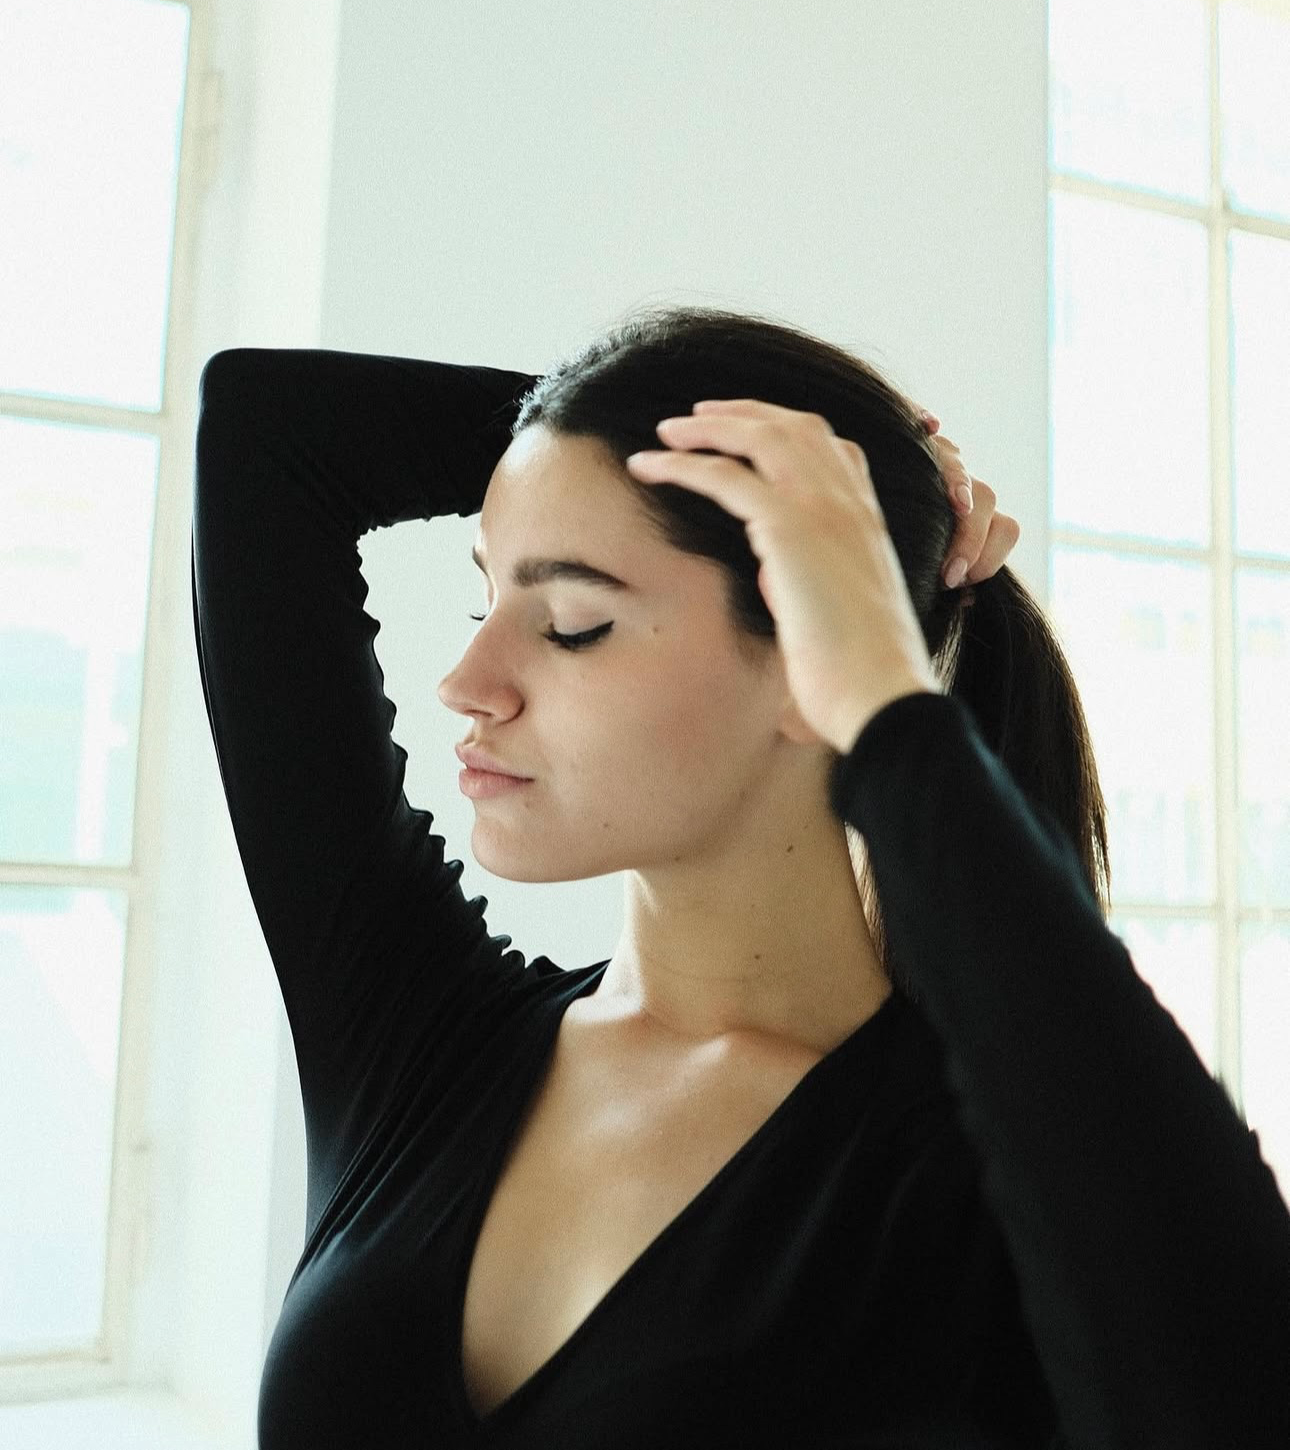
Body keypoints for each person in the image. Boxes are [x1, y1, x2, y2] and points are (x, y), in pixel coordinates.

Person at [190, 305, 1290, 1449]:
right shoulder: (422, 1042)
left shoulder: (973, 1183)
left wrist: (885, 692)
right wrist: (797, 469)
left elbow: (1235, 1376)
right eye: (487, 598)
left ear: (810, 664)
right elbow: (270, 431)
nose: (468, 678)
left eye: (570, 623)